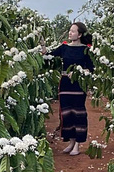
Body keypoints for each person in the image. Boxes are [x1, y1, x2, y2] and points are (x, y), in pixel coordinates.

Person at [40, 22, 94, 155]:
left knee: (78, 113)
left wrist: (80, 72)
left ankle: (77, 144)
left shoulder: (86, 50)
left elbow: (91, 68)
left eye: (73, 31)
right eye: (70, 31)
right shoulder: (64, 48)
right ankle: (71, 142)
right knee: (67, 113)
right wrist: (43, 47)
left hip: (78, 84)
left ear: (80, 34)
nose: (70, 33)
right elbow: (49, 57)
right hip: (65, 84)